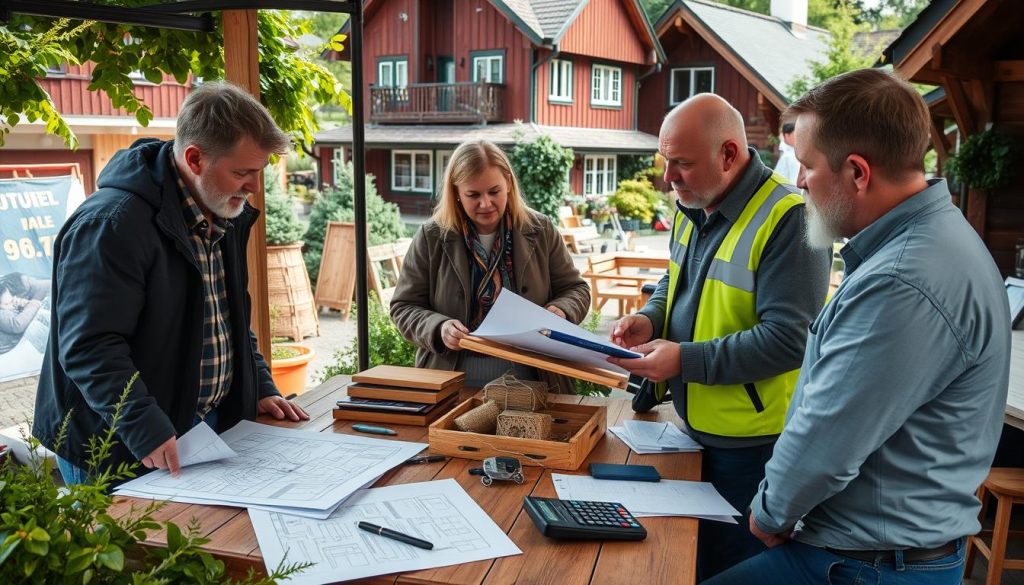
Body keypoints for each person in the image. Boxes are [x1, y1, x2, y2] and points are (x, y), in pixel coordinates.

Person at [704, 69, 1011, 585]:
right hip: (874, 554)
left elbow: (828, 439)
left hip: (863, 565)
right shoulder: (930, 241)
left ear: (857, 173)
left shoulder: (901, 280)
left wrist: (769, 512)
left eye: (807, 166)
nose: (799, 182)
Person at [33, 82, 309, 486]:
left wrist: (261, 385)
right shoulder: (111, 224)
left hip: (193, 428)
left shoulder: (221, 207)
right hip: (118, 442)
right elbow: (89, 346)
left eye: (258, 171)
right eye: (242, 172)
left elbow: (229, 318)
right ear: (194, 159)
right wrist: (145, 425)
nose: (254, 186)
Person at [607, 93, 830, 580]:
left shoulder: (791, 217)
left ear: (729, 155)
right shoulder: (696, 199)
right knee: (689, 563)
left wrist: (682, 360)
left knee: (725, 570)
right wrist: (649, 316)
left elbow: (790, 340)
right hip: (693, 430)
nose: (668, 178)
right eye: (666, 161)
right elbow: (674, 280)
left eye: (682, 163)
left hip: (753, 448)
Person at [391, 139, 590, 392]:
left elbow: (577, 290)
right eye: (473, 195)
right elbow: (403, 306)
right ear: (456, 193)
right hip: (451, 383)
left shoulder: (540, 230)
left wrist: (561, 311)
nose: (485, 204)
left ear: (508, 182)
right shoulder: (432, 237)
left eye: (494, 191)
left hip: (537, 381)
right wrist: (438, 327)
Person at [0, 272, 50, 355]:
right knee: (34, 327)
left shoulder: (8, 309)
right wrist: (33, 304)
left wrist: (23, 306)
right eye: (8, 304)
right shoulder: (2, 314)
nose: (12, 305)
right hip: (10, 350)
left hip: (17, 344)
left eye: (12, 301)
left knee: (41, 315)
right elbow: (17, 325)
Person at [773, 120, 800, 184]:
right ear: (787, 135)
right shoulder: (789, 155)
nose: (798, 137)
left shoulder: (792, 153)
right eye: (796, 134)